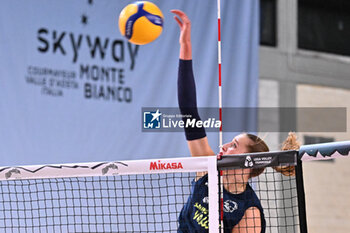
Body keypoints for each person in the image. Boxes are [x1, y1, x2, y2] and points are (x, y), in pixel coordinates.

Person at [170, 10, 300, 233]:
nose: (224, 146)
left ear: (247, 161)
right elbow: (189, 112)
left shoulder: (249, 213)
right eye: (229, 142)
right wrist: (185, 46)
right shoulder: (207, 167)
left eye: (233, 146)